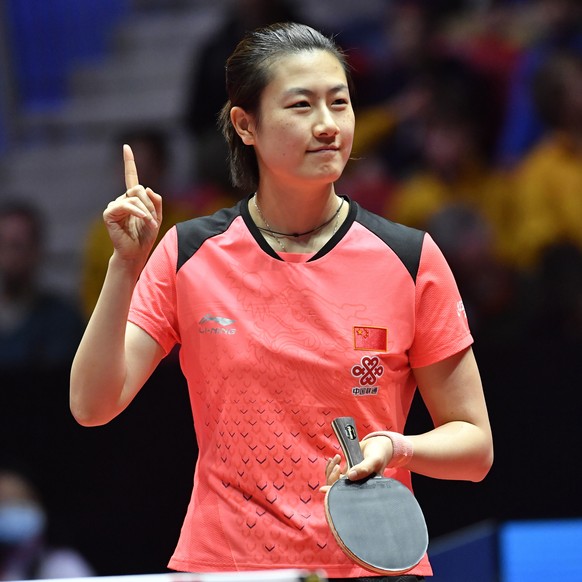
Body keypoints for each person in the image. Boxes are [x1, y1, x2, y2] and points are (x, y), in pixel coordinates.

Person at [70, 22, 493, 580]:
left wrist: (398, 446)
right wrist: (126, 265)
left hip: (371, 566)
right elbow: (93, 404)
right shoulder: (189, 253)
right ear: (245, 124)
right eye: (300, 105)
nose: (327, 125)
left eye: (339, 103)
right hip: (228, 566)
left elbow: (475, 446)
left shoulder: (409, 258)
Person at [0, 201, 85, 370]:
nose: (6, 255)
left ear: (36, 252)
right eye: (1, 245)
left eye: (16, 246)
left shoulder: (61, 320)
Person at [0, 468, 94, 580]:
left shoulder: (62, 565)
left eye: (17, 501)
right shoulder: (8, 567)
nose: (10, 509)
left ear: (36, 505)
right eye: (3, 503)